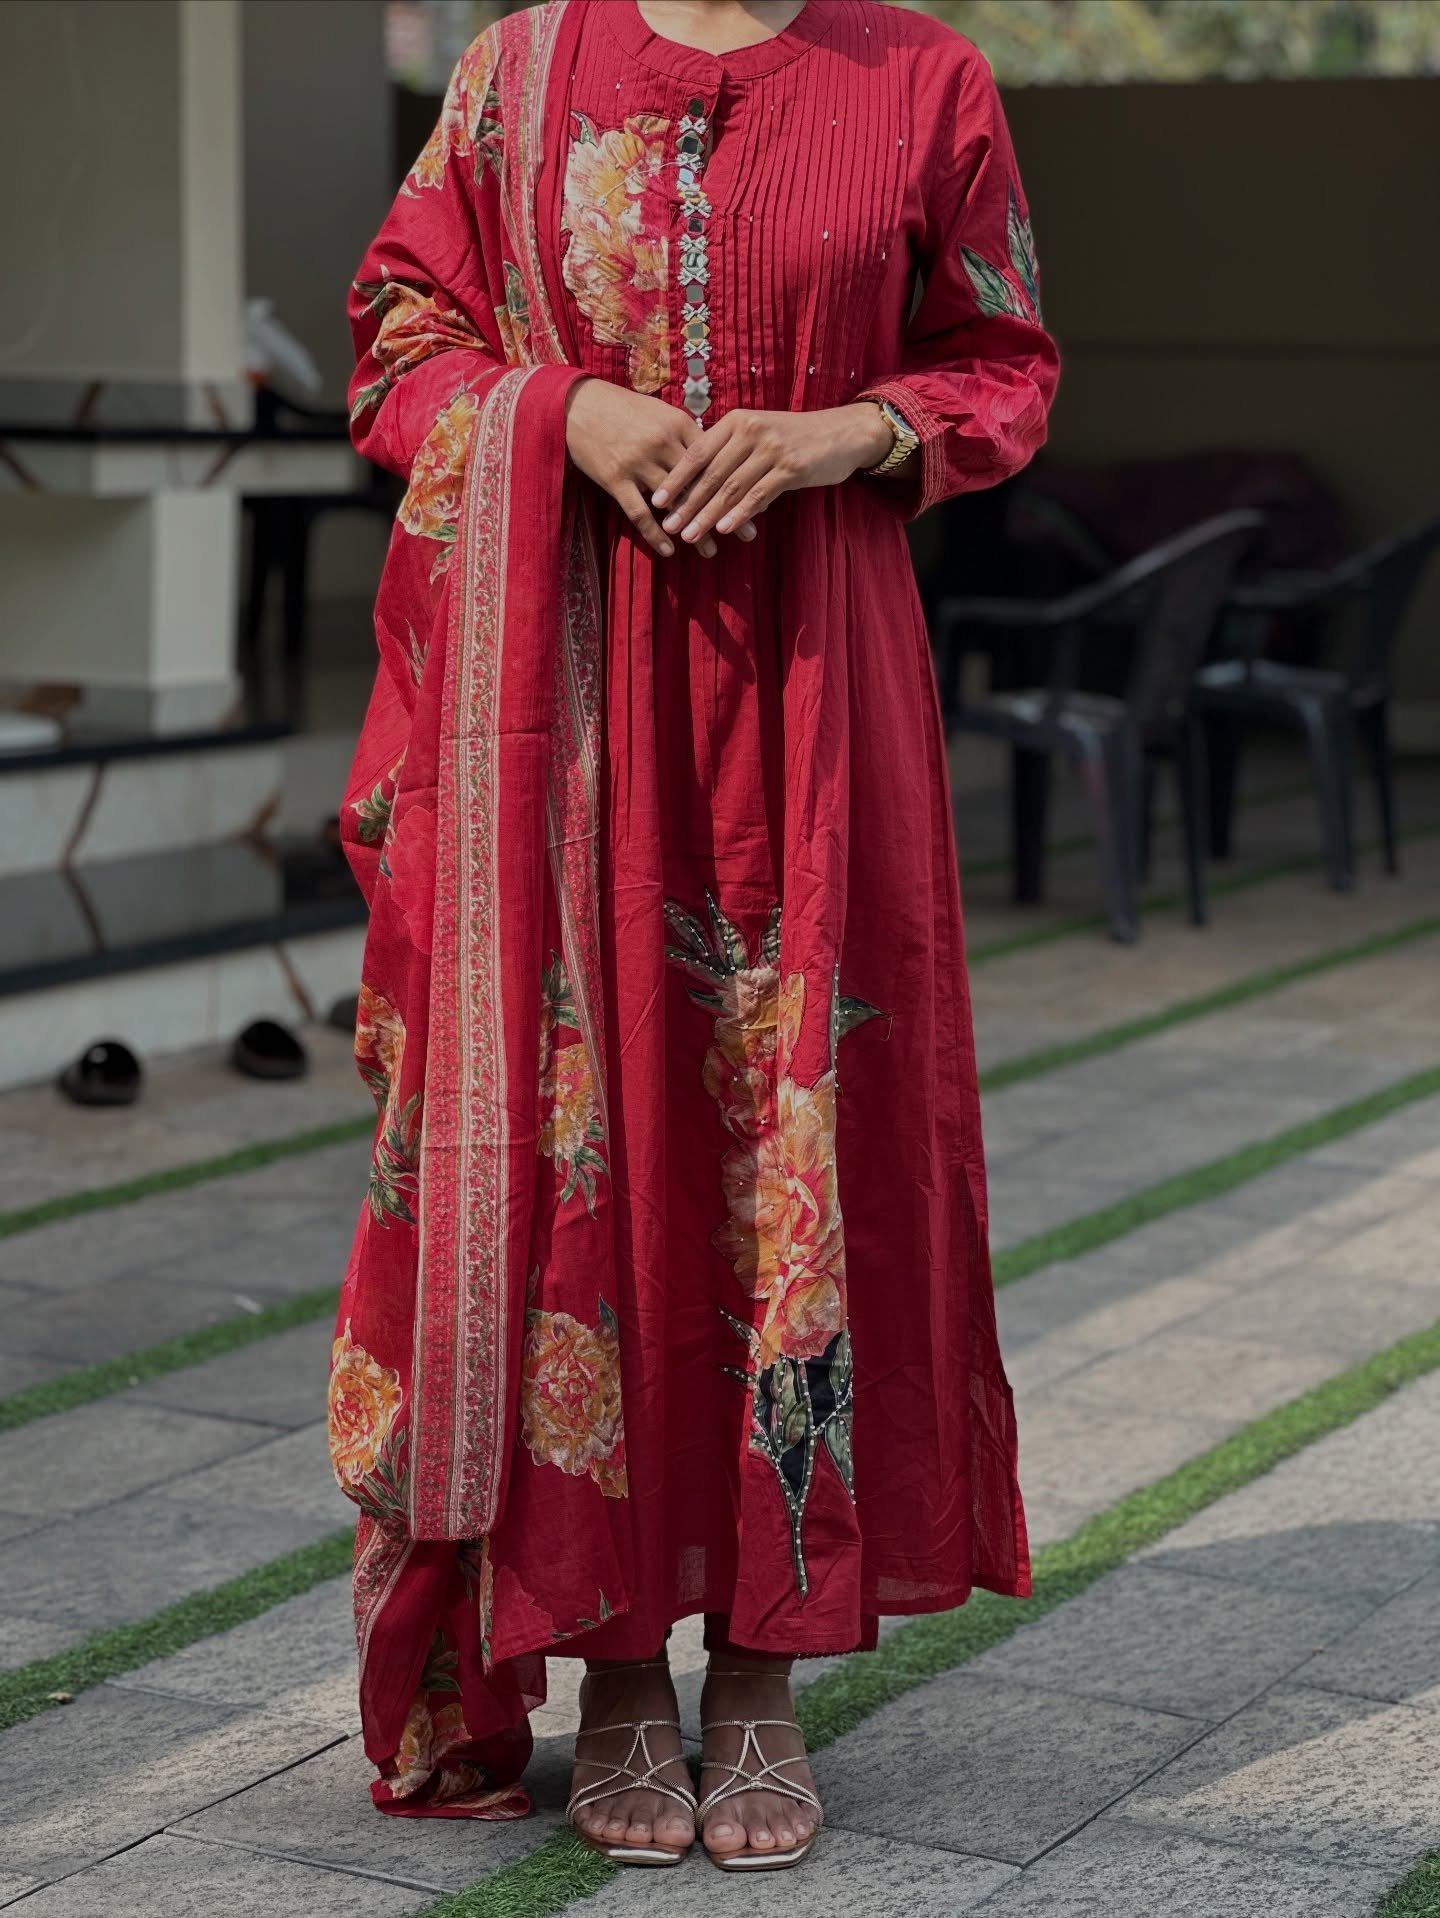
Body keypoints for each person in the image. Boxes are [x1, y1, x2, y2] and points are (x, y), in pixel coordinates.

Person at [330, 0, 1059, 1874]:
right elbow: (400, 342)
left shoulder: (921, 80)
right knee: (602, 1141)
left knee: (798, 1143)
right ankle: (610, 1662)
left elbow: (1006, 364)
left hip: (823, 687)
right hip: (569, 698)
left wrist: (848, 433)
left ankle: (760, 1663)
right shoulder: (515, 74)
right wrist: (564, 408)